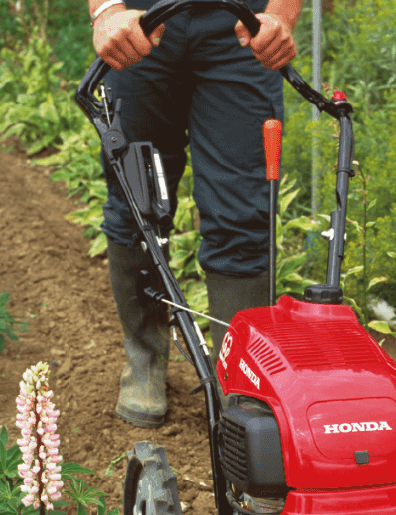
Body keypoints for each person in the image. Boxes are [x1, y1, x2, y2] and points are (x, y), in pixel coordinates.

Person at [89, 0, 301, 427]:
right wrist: (107, 10)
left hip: (242, 28)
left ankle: (240, 383)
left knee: (242, 212)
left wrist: (280, 14)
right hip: (141, 23)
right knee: (135, 196)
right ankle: (145, 358)